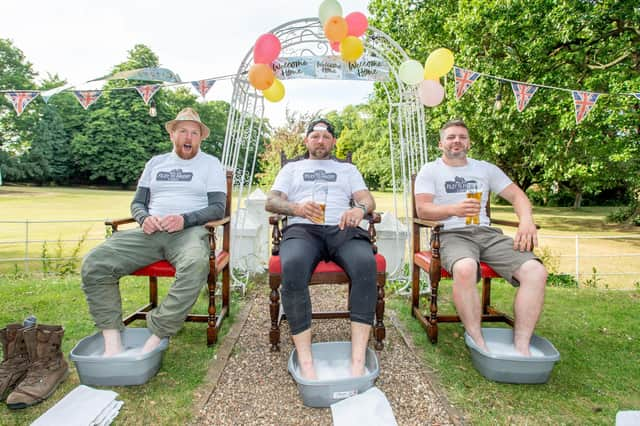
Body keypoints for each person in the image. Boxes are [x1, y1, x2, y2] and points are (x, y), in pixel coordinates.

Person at [81, 108, 227, 356]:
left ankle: (158, 332)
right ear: (172, 134)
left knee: (195, 264)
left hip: (189, 233)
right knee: (95, 262)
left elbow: (217, 207)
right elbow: (138, 203)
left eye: (194, 132)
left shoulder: (211, 165)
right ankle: (112, 340)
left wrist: (184, 219)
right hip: (150, 232)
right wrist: (143, 218)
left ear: (201, 137)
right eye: (182, 131)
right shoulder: (155, 163)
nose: (188, 137)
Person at [414, 119, 546, 356]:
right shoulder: (430, 170)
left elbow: (518, 196)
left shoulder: (485, 169)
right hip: (451, 234)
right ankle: (476, 338)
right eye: (451, 137)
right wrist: (453, 209)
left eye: (462, 137)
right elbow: (423, 210)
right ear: (440, 143)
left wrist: (526, 219)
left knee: (536, 271)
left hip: (486, 234)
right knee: (465, 268)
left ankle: (522, 343)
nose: (457, 141)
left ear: (469, 143)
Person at [265, 118, 377, 379]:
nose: (320, 140)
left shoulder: (347, 169)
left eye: (326, 136)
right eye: (315, 136)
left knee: (365, 264)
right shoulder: (293, 169)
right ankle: (306, 360)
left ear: (333, 142)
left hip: (342, 227)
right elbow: (271, 201)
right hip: (303, 229)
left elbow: (366, 199)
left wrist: (358, 209)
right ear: (306, 140)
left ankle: (358, 359)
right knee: (291, 266)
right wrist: (296, 208)